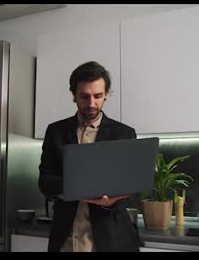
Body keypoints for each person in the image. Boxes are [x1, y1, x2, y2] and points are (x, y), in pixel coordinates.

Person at [38, 61, 141, 252]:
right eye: (84, 96)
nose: (92, 103)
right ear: (73, 95)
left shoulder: (124, 134)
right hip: (66, 240)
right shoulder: (56, 132)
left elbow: (134, 191)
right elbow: (45, 182)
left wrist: (112, 202)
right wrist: (77, 187)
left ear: (106, 95)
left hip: (111, 241)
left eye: (98, 96)